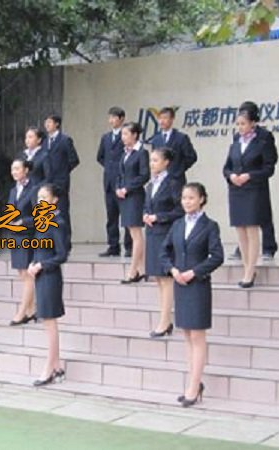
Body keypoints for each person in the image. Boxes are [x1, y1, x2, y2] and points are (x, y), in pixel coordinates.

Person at [160, 182, 224, 407]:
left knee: (197, 336)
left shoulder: (210, 226)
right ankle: (194, 382)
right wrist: (172, 270)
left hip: (198, 286)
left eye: (191, 198)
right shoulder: (177, 224)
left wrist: (194, 272)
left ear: (202, 199)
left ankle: (193, 387)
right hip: (180, 284)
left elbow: (217, 256)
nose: (187, 202)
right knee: (187, 335)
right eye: (184, 198)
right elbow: (164, 251)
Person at [223, 108, 277, 288]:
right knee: (240, 231)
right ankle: (247, 268)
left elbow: (269, 168)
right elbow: (227, 167)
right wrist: (231, 176)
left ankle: (250, 270)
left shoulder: (262, 141)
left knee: (252, 230)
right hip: (236, 190)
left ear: (253, 123)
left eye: (243, 124)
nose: (240, 127)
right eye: (238, 124)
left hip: (253, 189)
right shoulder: (235, 143)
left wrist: (250, 176)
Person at [28, 183, 69, 386]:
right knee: (47, 321)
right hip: (41, 275)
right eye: (39, 198)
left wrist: (41, 265)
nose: (40, 202)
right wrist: (33, 263)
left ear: (54, 201)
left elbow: (62, 255)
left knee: (49, 321)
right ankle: (57, 365)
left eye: (45, 198)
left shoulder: (57, 222)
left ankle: (49, 367)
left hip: (50, 277)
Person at [143, 148, 184, 338]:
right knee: (158, 278)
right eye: (151, 160)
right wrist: (146, 215)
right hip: (152, 234)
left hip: (166, 234)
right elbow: (147, 205)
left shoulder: (173, 183)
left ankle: (165, 321)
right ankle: (164, 318)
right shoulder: (151, 184)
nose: (152, 164)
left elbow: (179, 210)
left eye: (156, 160)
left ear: (166, 162)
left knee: (166, 278)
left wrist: (159, 217)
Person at [116, 122, 149, 284]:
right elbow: (120, 174)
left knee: (136, 234)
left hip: (135, 196)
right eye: (122, 134)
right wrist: (118, 188)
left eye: (126, 134)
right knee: (132, 232)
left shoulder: (141, 153)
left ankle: (133, 270)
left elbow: (144, 175)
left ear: (135, 135)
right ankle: (142, 269)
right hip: (124, 197)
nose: (123, 137)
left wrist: (127, 188)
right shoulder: (125, 153)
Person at [96, 107, 132, 257]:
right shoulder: (106, 137)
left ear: (121, 118)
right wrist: (110, 168)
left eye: (114, 117)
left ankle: (129, 247)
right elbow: (100, 157)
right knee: (111, 216)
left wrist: (119, 168)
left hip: (123, 182)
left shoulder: (127, 136)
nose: (111, 120)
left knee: (127, 217)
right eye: (109, 117)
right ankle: (113, 246)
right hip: (109, 183)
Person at [42, 114, 80, 250]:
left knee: (62, 211)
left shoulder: (65, 140)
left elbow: (74, 160)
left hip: (60, 182)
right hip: (47, 182)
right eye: (46, 122)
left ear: (57, 124)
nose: (47, 125)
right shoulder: (45, 142)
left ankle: (65, 243)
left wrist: (63, 172)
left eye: (49, 122)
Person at [7, 158, 37, 326]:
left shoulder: (34, 188)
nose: (14, 172)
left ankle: (22, 312)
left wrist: (23, 222)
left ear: (26, 170)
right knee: (21, 273)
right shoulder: (13, 190)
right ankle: (31, 311)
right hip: (15, 235)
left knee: (27, 275)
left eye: (17, 169)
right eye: (13, 169)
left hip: (27, 235)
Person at [149, 107, 197, 185]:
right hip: (160, 179)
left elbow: (191, 157)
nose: (162, 121)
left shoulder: (181, 137)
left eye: (165, 118)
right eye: (160, 118)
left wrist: (179, 169)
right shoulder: (156, 139)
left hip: (176, 180)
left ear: (172, 119)